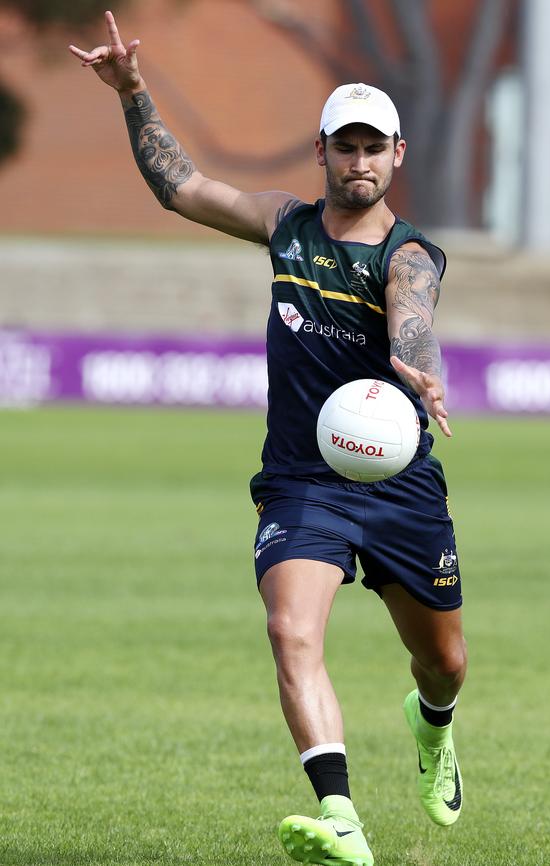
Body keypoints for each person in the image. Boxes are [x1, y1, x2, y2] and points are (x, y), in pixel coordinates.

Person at [70, 12, 468, 866]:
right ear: (320, 152)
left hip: (400, 488)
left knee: (445, 665)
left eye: (373, 147)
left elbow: (412, 310)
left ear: (398, 155)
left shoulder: (410, 253)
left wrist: (414, 360)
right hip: (302, 480)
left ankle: (432, 728)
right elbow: (181, 187)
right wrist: (134, 92)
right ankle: (343, 821)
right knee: (291, 633)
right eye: (344, 146)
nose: (358, 162)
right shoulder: (285, 226)